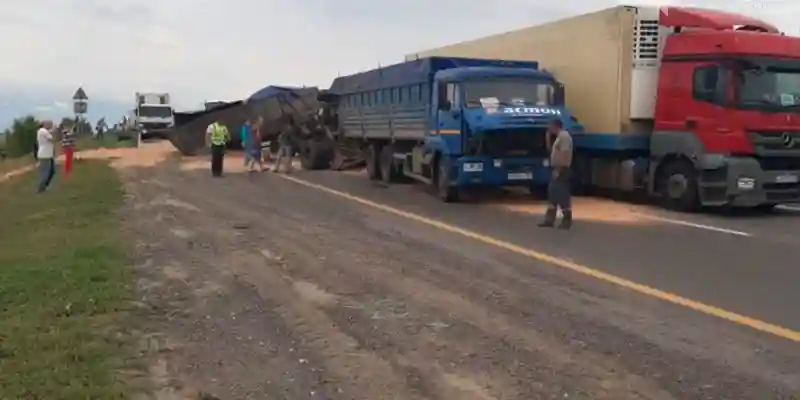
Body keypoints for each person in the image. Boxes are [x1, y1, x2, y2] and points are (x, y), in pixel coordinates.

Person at [538, 118, 573, 229]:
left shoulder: (564, 136)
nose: (549, 128)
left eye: (550, 126)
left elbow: (565, 153)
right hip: (556, 168)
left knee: (561, 194)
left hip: (562, 169)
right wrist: (547, 138)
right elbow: (550, 151)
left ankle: (567, 219)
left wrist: (559, 169)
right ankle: (549, 219)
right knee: (553, 193)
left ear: (555, 126)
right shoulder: (558, 137)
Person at [36, 120, 56, 193]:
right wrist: (54, 131)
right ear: (45, 124)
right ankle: (40, 188)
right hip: (45, 155)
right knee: (45, 172)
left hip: (48, 154)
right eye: (50, 124)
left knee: (52, 171)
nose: (51, 125)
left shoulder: (44, 131)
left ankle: (45, 186)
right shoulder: (43, 131)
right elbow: (51, 139)